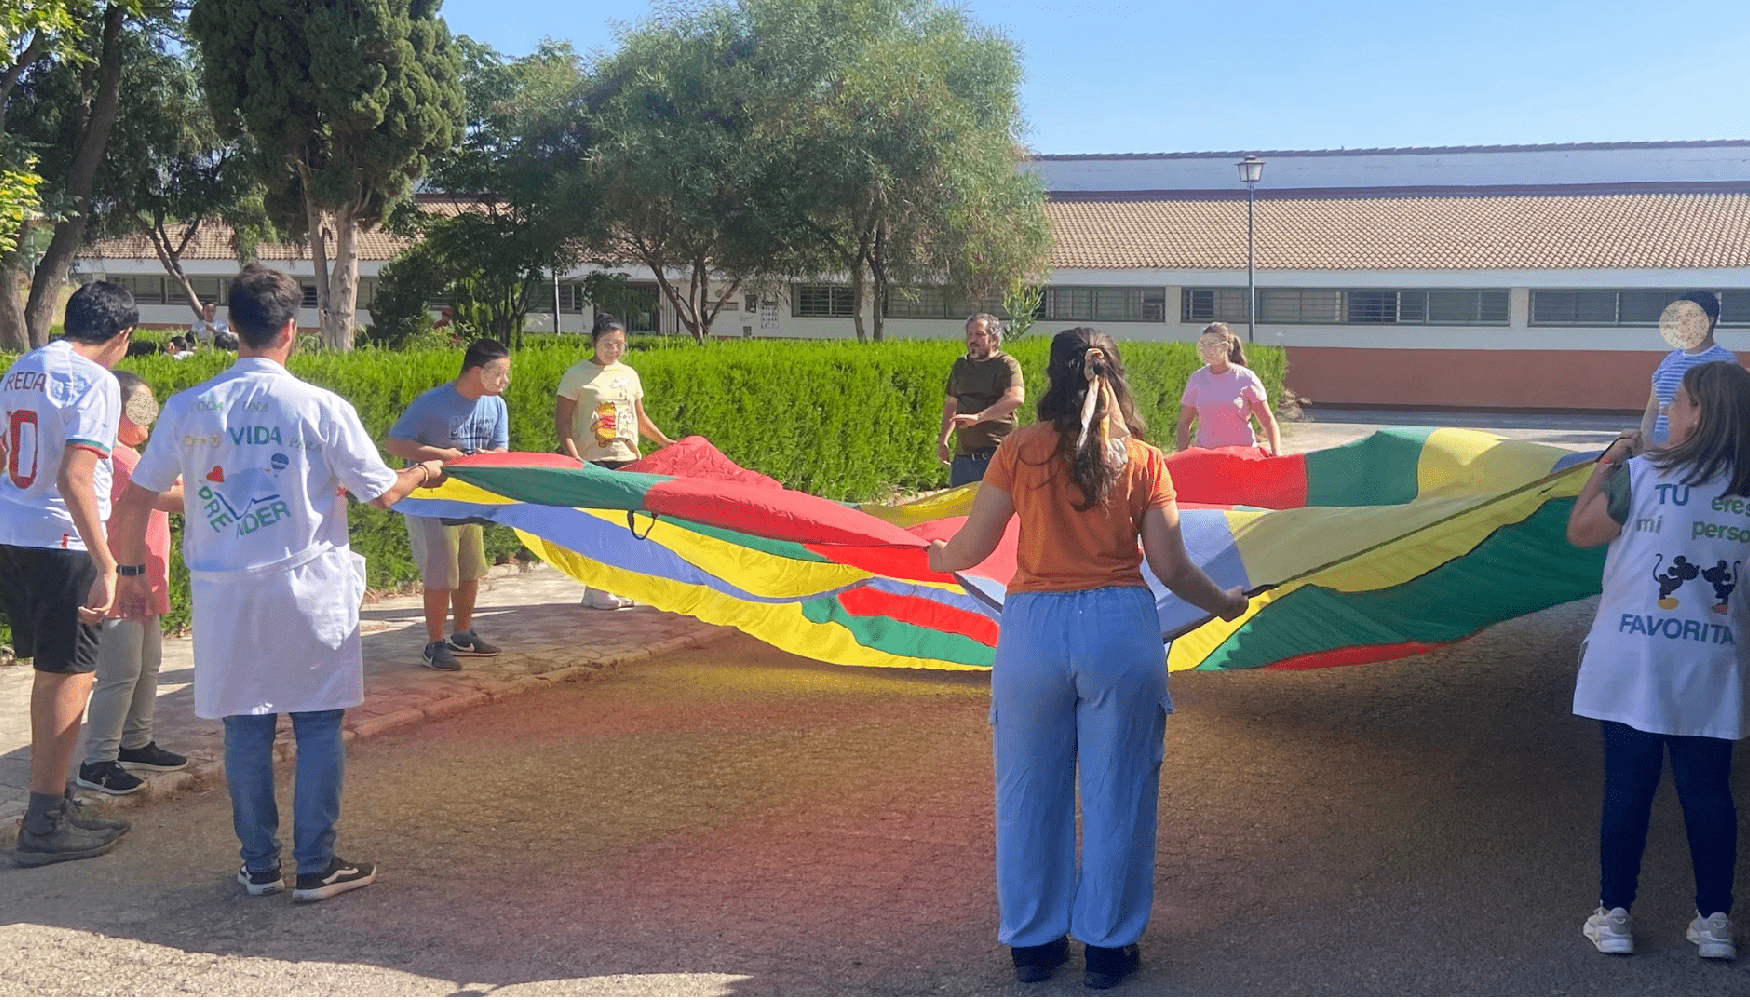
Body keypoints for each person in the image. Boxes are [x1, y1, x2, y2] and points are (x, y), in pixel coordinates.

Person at [110, 265, 445, 902]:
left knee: (246, 727)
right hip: (307, 589)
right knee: (318, 724)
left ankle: (259, 866)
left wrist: (129, 574)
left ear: (230, 325)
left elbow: (138, 498)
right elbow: (381, 494)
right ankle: (316, 866)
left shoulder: (189, 408)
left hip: (225, 595)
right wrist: (425, 474)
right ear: (294, 329)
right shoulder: (320, 408)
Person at [928, 327, 1248, 989]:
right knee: (1119, 793)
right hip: (1120, 629)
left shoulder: (1017, 448)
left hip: (1032, 634)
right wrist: (1224, 603)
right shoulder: (1145, 459)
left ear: (1050, 377)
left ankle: (1035, 947)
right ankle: (1107, 948)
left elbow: (969, 546)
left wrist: (935, 558)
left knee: (1027, 794)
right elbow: (1171, 566)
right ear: (1115, 375)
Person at [1567, 360, 1750, 961]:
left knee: (1628, 788)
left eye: (1679, 402)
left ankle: (1614, 915)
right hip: (1711, 663)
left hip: (1634, 659)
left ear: (1700, 411)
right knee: (1707, 793)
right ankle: (1714, 922)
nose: (1668, 410)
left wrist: (1608, 461)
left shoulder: (1639, 474)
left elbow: (1581, 531)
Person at [0, 280, 136, 866]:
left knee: (50, 673)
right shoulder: (97, 381)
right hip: (63, 541)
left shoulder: (22, 368)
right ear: (123, 337)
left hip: (14, 532)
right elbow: (76, 477)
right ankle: (46, 823)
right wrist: (108, 562)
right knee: (70, 676)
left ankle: (50, 805)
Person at [77, 370, 189, 795]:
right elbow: (165, 496)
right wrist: (228, 488)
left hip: (145, 579)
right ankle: (99, 760)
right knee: (120, 673)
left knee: (147, 667)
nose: (149, 416)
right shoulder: (116, 456)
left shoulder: (131, 455)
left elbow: (173, 483)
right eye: (140, 407)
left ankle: (135, 742)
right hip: (124, 580)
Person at [384, 339, 511, 671]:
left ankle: (463, 633)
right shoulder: (431, 403)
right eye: (499, 374)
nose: (503, 382)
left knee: (471, 569)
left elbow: (501, 450)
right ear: (475, 371)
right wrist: (441, 456)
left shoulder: (496, 405)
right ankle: (435, 643)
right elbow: (395, 442)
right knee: (441, 573)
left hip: (470, 498)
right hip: (432, 502)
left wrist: (490, 460)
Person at [555, 314, 675, 610]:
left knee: (625, 527)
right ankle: (595, 588)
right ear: (594, 342)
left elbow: (640, 418)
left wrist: (666, 443)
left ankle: (614, 584)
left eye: (620, 344)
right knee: (598, 527)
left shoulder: (629, 374)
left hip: (627, 459)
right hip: (594, 460)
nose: (614, 349)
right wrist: (575, 459)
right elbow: (562, 421)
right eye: (607, 343)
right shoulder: (577, 374)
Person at [937, 313, 1025, 487]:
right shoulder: (961, 365)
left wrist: (979, 417)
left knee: (992, 513)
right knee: (961, 514)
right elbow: (951, 404)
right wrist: (943, 440)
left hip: (996, 456)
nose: (972, 340)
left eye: (979, 334)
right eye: (970, 334)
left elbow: (1015, 398)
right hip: (962, 460)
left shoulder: (1007, 365)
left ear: (993, 338)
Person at [1640, 291, 1738, 446]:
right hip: (1657, 456)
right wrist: (1645, 444)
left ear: (1709, 320)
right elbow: (1653, 409)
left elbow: (1727, 417)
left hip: (1697, 455)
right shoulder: (1668, 361)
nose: (1681, 323)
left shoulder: (1726, 362)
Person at [1174, 322, 1281, 455]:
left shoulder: (1246, 378)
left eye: (1211, 345)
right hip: (1207, 458)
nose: (1206, 350)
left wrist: (1276, 454)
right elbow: (1184, 423)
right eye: (1203, 345)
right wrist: (1183, 456)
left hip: (1242, 459)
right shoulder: (1197, 379)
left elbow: (1268, 422)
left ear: (1225, 347)